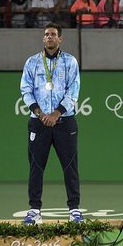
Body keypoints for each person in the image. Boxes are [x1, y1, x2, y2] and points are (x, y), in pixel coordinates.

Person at [20, 22, 83, 225]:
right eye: (46, 34)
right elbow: (26, 90)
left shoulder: (70, 62)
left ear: (60, 38)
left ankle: (74, 209)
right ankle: (34, 210)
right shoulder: (32, 63)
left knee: (70, 166)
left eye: (53, 34)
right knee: (36, 167)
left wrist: (57, 113)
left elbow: (73, 91)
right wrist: (40, 113)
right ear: (43, 38)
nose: (49, 37)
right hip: (38, 123)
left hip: (64, 122)